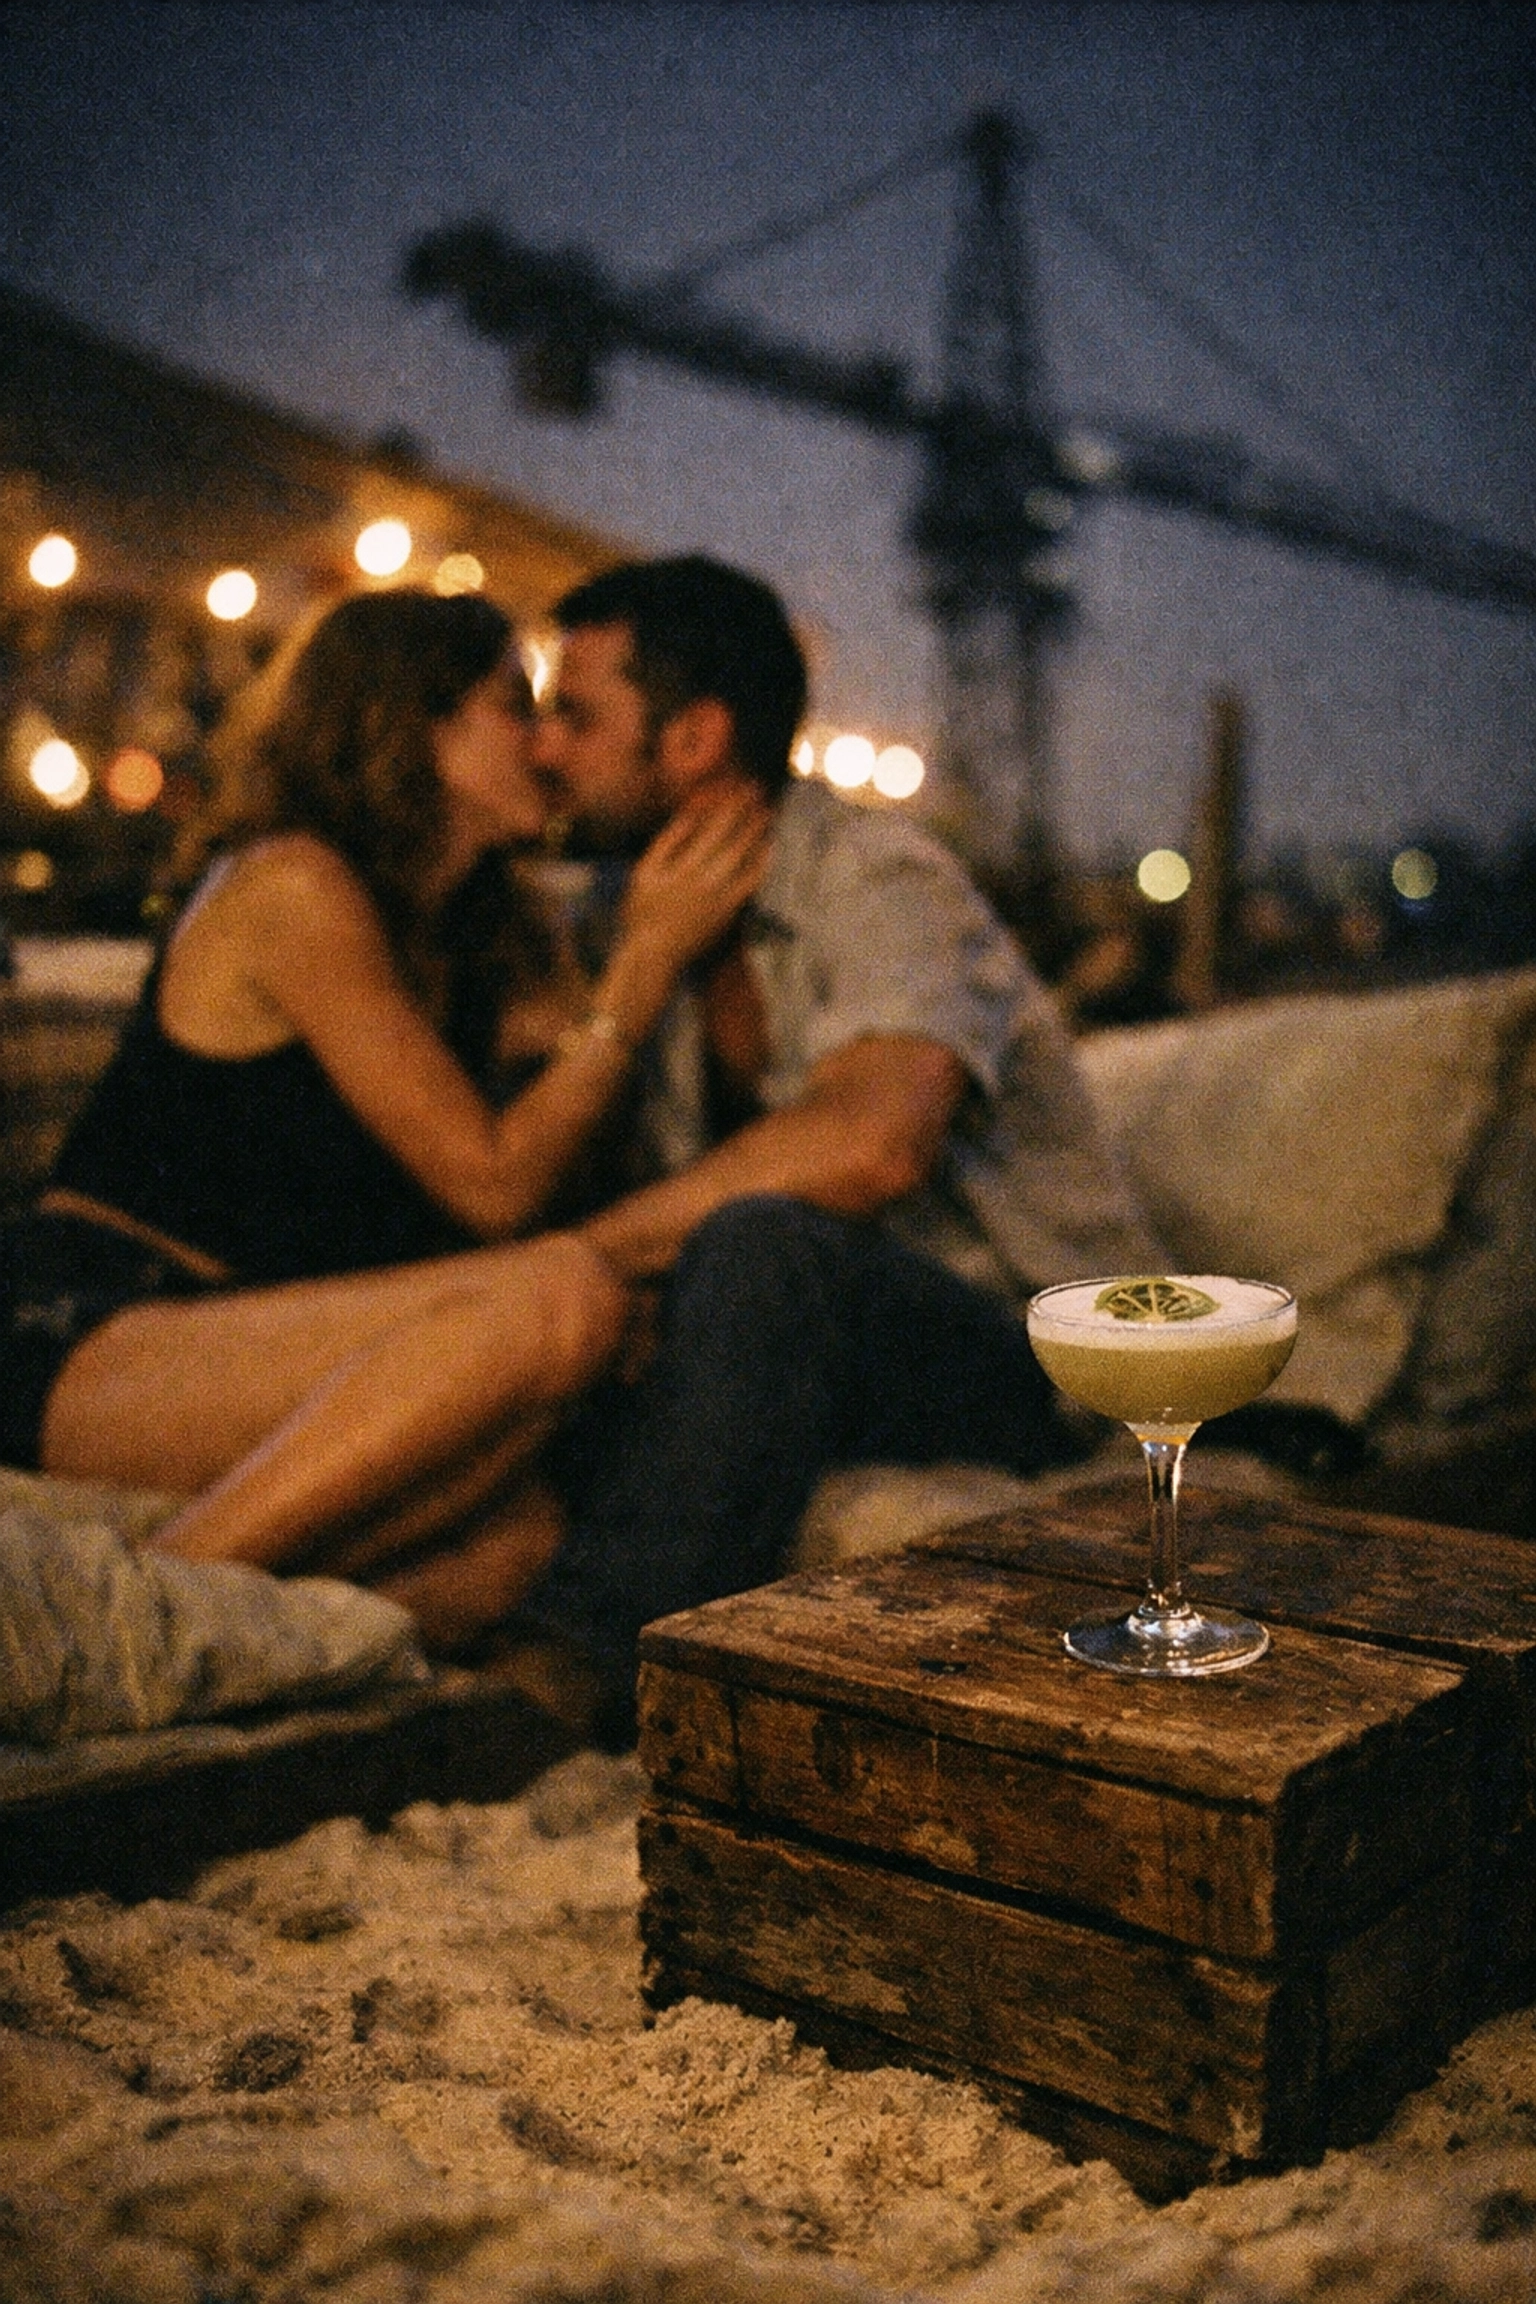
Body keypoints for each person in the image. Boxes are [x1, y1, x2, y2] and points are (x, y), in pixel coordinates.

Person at [0, 586, 770, 1652]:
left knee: (520, 1545)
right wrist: (642, 967)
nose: (548, 745)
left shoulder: (480, 937)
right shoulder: (292, 886)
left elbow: (588, 1159)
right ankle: (121, 1620)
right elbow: (494, 1186)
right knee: (561, 1298)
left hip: (272, 1339)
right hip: (93, 1326)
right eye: (516, 707)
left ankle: (197, 1621)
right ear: (415, 725)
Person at [520, 555, 1162, 1723]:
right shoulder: (644, 912)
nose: (543, 747)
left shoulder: (878, 876)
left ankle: (577, 1673)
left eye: (575, 714)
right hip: (821, 1349)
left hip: (1032, 1355)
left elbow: (870, 1148)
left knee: (762, 1245)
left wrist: (578, 1257)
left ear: (694, 737)